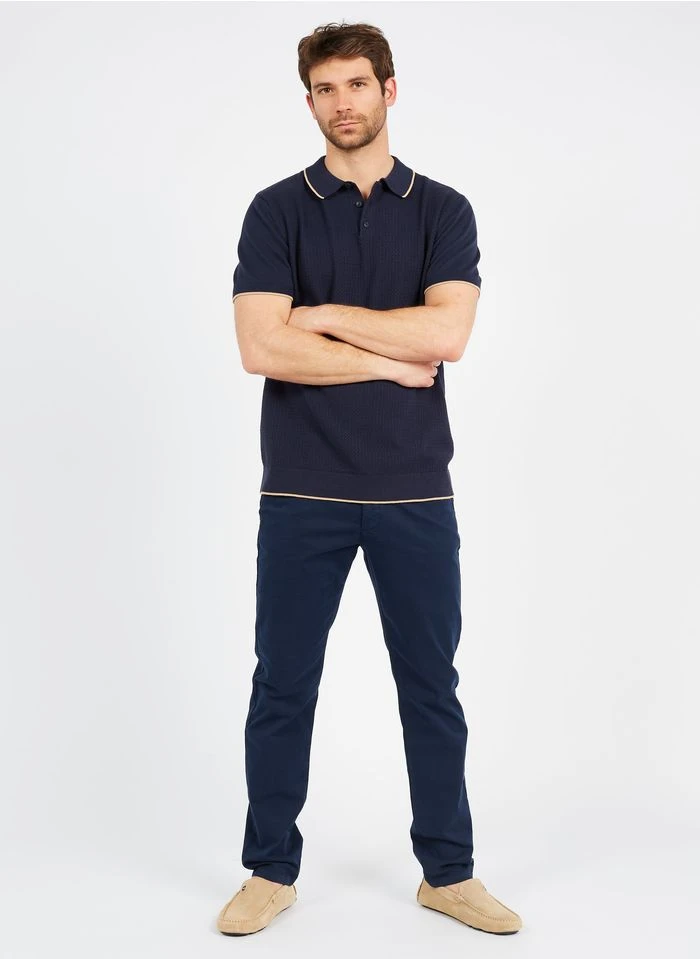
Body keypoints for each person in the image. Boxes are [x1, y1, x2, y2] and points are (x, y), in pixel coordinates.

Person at [217, 20, 523, 938]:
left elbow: (447, 335)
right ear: (309, 100)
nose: (342, 103)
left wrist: (324, 317)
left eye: (357, 84)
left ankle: (449, 873)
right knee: (283, 684)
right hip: (300, 488)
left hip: (415, 489)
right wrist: (388, 359)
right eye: (325, 88)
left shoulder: (444, 210)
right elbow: (260, 347)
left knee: (431, 685)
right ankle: (269, 870)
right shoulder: (275, 210)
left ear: (389, 89)